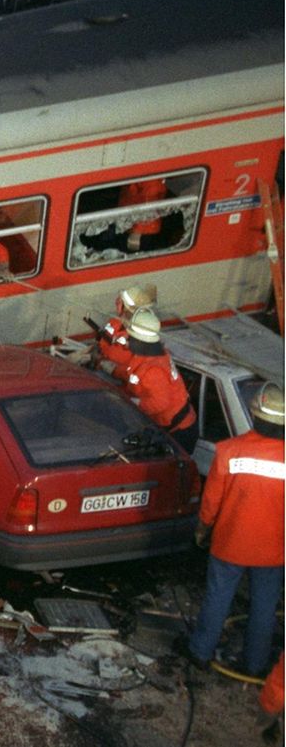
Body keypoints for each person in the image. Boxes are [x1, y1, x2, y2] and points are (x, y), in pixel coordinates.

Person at [183, 383, 284, 679]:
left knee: (218, 598)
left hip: (230, 544)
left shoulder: (229, 451)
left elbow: (211, 502)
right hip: (274, 549)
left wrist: (202, 530)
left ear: (254, 415)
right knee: (265, 607)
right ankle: (255, 663)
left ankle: (200, 653)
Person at [114, 308, 197, 453]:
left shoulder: (154, 370)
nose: (127, 340)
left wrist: (131, 403)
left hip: (178, 433)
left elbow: (160, 403)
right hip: (173, 427)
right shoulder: (150, 353)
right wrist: (113, 370)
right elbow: (134, 372)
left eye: (130, 337)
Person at [96, 284, 155, 371]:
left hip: (118, 376)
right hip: (101, 364)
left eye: (120, 302)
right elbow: (102, 343)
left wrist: (112, 369)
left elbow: (135, 368)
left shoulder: (141, 334)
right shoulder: (114, 322)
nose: (116, 303)